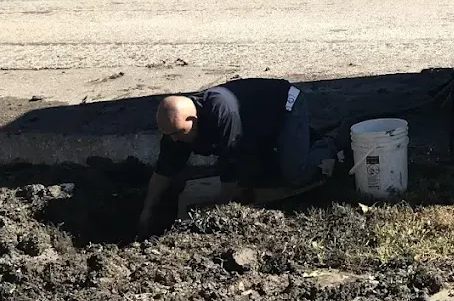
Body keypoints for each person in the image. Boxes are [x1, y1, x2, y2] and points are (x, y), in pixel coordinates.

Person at [137, 78, 338, 236]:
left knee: (295, 173)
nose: (174, 140)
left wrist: (219, 208)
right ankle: (299, 141)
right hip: (257, 127)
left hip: (286, 105)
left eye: (178, 133)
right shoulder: (175, 131)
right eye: (170, 135)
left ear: (193, 119)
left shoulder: (222, 111)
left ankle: (328, 145)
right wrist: (147, 212)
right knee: (263, 177)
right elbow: (163, 170)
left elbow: (231, 162)